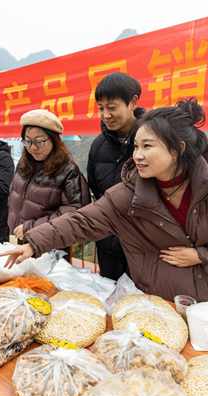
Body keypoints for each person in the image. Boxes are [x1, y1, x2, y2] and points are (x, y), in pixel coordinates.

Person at [1, 98, 208, 326]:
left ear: (177, 150)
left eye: (148, 146)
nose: (137, 155)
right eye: (136, 146)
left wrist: (201, 256)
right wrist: (36, 242)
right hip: (163, 305)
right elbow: (83, 220)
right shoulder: (129, 195)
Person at [87, 72, 146, 280]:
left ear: (133, 102)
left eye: (112, 108)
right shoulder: (98, 146)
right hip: (107, 243)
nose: (105, 115)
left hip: (144, 247)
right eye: (101, 108)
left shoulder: (152, 141)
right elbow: (96, 190)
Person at [8, 109, 90, 256]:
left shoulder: (67, 170)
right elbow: (14, 195)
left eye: (39, 142)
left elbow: (73, 212)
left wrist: (31, 227)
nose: (33, 147)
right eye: (28, 141)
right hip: (19, 240)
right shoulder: (23, 163)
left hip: (50, 247)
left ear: (54, 140)